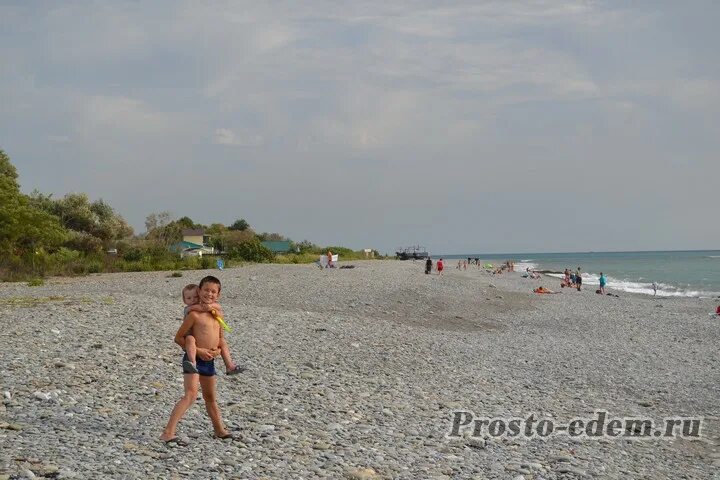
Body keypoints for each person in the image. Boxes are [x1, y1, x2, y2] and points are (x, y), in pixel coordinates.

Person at [161, 276, 233, 443]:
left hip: (209, 360)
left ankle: (219, 430)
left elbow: (220, 338)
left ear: (218, 295)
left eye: (213, 291)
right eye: (206, 290)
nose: (209, 294)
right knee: (191, 395)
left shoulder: (217, 315)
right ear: (199, 291)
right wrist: (199, 351)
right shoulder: (193, 315)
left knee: (210, 397)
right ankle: (168, 432)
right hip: (193, 360)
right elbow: (179, 338)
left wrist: (216, 351)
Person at [180, 284, 244, 376]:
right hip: (190, 338)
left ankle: (230, 365)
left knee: (222, 341)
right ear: (184, 300)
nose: (193, 300)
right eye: (189, 298)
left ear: (200, 295)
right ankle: (192, 363)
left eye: (195, 297)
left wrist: (210, 307)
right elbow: (200, 308)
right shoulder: (189, 309)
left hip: (209, 354)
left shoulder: (208, 308)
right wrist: (207, 307)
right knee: (190, 339)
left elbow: (218, 307)